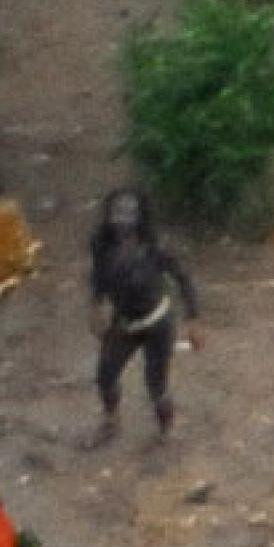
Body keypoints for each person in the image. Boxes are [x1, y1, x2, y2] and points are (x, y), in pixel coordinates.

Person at [87, 186, 202, 445]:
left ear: (140, 217)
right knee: (105, 374)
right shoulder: (101, 245)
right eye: (118, 212)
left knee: (156, 384)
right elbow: (97, 277)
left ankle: (166, 432)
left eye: (129, 213)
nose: (122, 221)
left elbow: (183, 279)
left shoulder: (155, 248)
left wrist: (193, 319)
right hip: (124, 323)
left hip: (157, 323)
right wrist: (95, 305)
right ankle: (111, 421)